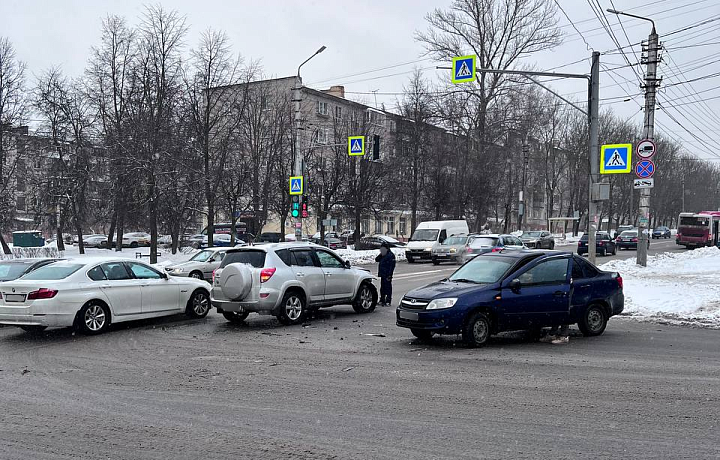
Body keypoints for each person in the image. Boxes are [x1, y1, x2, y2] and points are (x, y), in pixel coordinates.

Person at [375, 242, 396, 306]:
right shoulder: (383, 255)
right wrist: (381, 254)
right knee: (382, 288)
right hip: (382, 274)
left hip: (387, 274)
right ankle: (382, 300)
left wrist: (390, 275)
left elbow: (392, 266)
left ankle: (388, 301)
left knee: (388, 288)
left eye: (383, 248)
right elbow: (376, 259)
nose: (381, 250)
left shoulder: (391, 255)